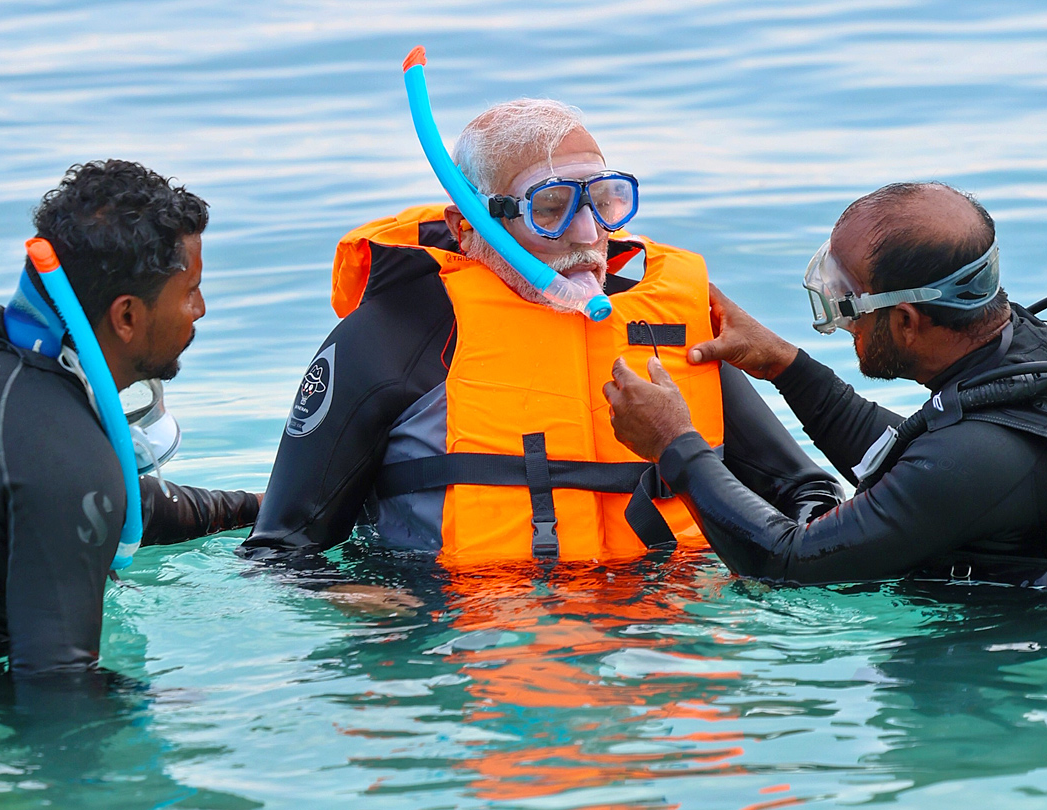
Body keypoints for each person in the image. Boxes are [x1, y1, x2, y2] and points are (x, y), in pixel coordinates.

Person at [242, 100, 841, 564]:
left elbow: (807, 493)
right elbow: (281, 551)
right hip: (466, 640)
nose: (588, 234)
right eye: (550, 208)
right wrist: (370, 608)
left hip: (660, 636)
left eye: (606, 200)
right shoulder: (389, 338)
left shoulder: (665, 327)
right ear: (468, 225)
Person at [605, 181, 1047, 586]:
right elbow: (921, 461)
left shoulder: (977, 458)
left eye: (846, 301)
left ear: (907, 322)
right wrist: (786, 366)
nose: (840, 320)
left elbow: (786, 565)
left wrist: (674, 446)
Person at [0, 160, 261, 678]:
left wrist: (254, 507)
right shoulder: (64, 453)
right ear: (126, 316)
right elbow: (60, 692)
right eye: (189, 290)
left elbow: (104, 501)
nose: (201, 308)